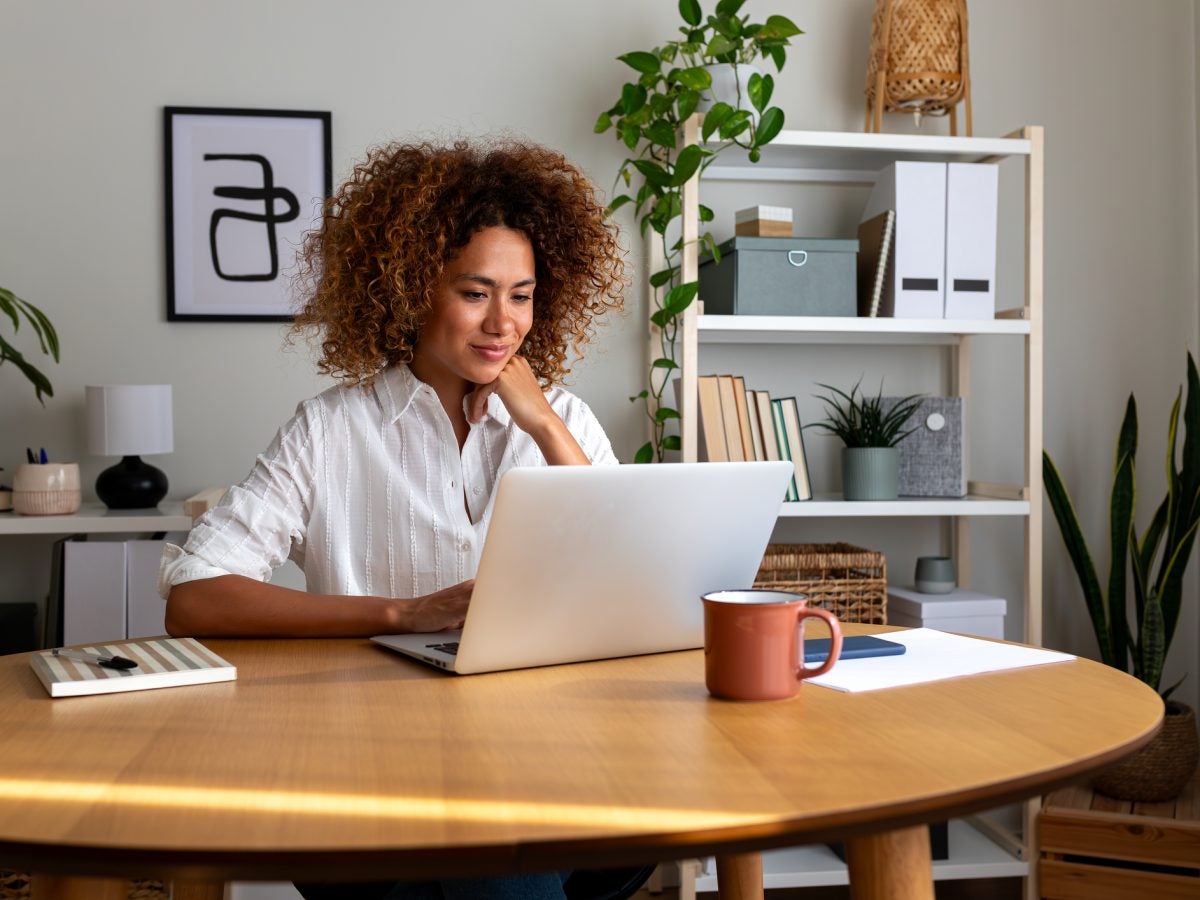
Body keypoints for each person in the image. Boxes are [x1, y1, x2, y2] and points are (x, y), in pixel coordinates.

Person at [159, 139, 649, 900]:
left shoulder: (566, 422)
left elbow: (631, 577)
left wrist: (546, 427)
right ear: (414, 285)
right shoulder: (331, 429)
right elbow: (194, 596)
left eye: (521, 295)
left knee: (502, 850)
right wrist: (400, 612)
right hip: (370, 765)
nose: (502, 323)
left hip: (544, 749)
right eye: (475, 292)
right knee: (492, 863)